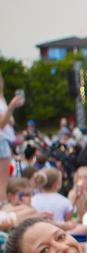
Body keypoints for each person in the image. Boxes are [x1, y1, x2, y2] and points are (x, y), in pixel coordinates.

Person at [0, 72, 24, 202]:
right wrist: (11, 107)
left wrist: (10, 110)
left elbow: (11, 121)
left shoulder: (1, 98)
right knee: (3, 180)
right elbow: (2, 125)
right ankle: (2, 206)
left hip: (4, 140)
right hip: (2, 140)